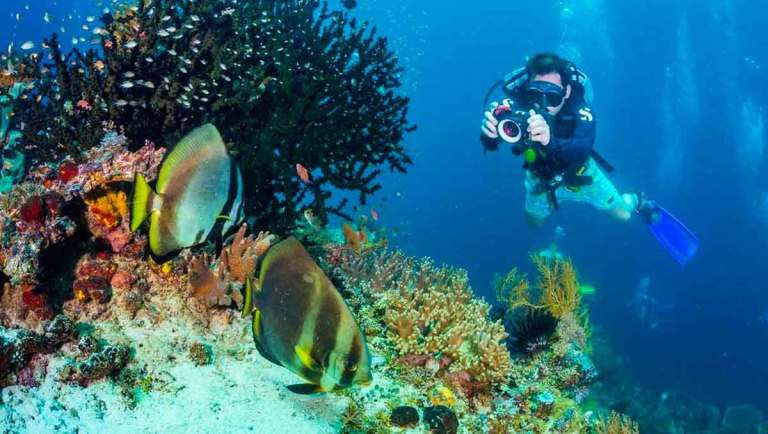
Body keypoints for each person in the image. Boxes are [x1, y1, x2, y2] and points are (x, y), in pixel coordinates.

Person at [480, 53, 699, 265]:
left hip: (581, 175)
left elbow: (581, 150)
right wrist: (488, 137)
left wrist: (550, 142)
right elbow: (498, 137)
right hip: (539, 178)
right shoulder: (517, 103)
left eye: (553, 97)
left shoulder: (581, 108)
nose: (543, 103)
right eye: (536, 94)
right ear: (528, 89)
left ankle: (637, 201)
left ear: (566, 92)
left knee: (623, 215)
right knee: (534, 223)